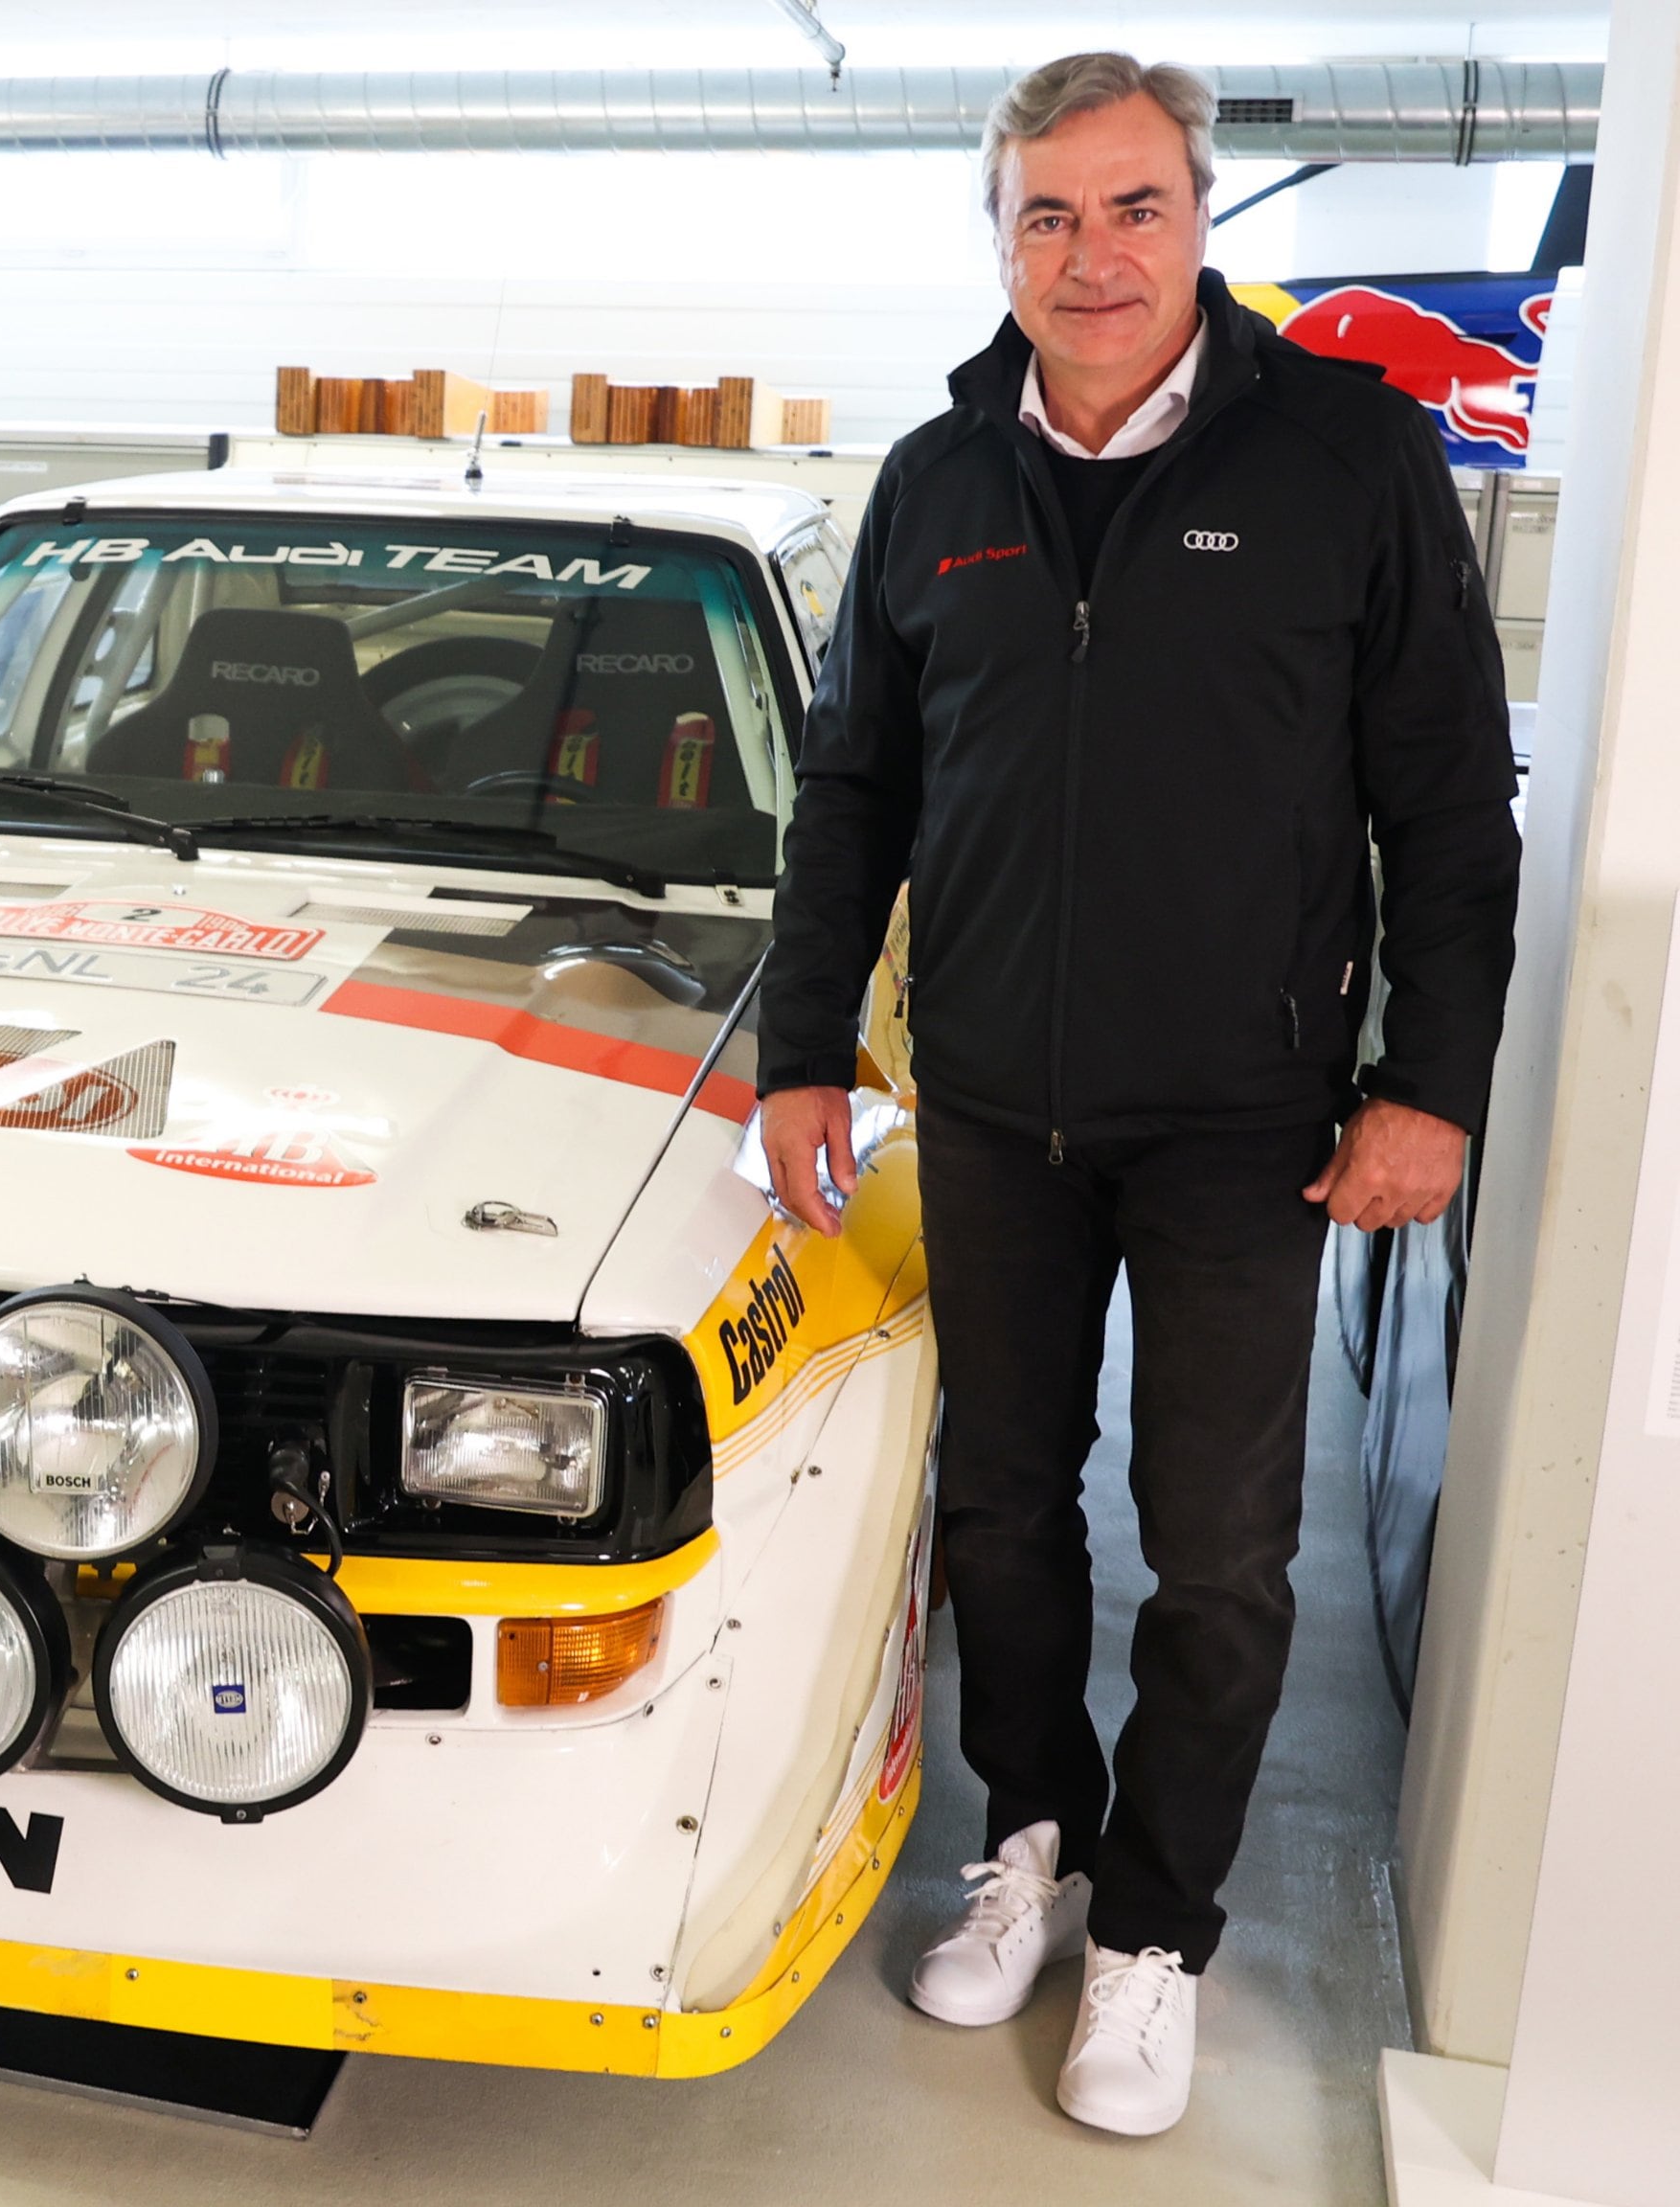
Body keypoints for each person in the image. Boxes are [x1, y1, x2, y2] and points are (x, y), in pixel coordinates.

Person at [761, 54, 1518, 2136]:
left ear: (1200, 217)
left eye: (1128, 210)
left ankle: (1155, 1930)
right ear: (993, 237)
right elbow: (850, 796)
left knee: (1212, 1548)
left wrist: (1423, 1088)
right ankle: (1029, 1837)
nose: (1085, 257)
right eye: (1042, 218)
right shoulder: (931, 485)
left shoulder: (1345, 463)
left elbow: (1447, 812)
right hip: (991, 1105)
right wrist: (803, 1044)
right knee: (997, 1511)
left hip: (1243, 1121)